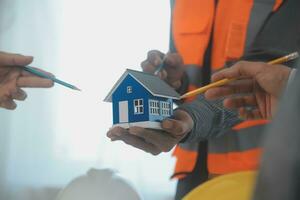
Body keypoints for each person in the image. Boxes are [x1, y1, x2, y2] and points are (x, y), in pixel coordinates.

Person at [108, 0, 300, 198]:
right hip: (192, 174)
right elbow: (195, 73)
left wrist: (192, 118)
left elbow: (264, 79)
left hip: (259, 175)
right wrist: (178, 82)